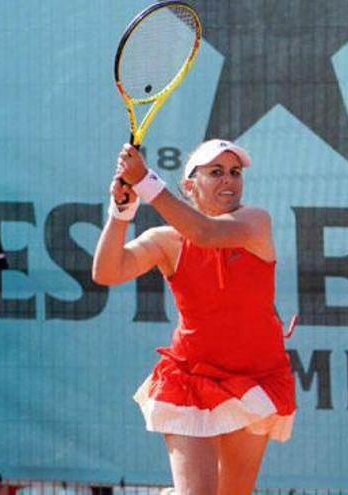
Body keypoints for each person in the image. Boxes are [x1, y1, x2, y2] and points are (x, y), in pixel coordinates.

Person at [92, 139, 296, 494]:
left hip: (257, 379)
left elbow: (206, 234)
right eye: (215, 172)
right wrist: (121, 213)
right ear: (189, 186)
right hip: (192, 379)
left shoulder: (254, 221)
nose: (229, 180)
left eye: (235, 172)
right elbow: (107, 271)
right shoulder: (164, 241)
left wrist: (146, 182)